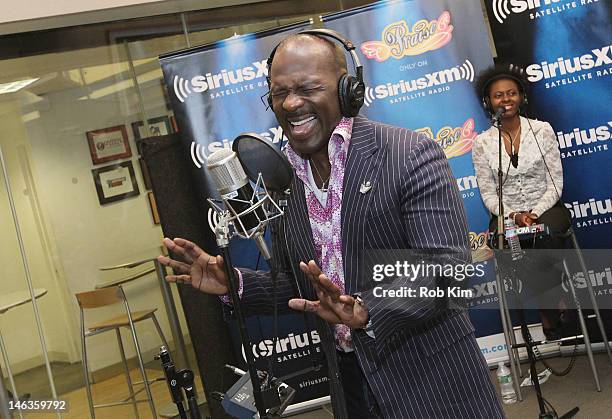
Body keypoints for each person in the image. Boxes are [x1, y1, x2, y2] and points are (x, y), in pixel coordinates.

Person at [159, 31, 504, 418]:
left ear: (347, 90)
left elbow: (448, 270)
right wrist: (233, 283)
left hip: (433, 385)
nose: (291, 103)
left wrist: (368, 310)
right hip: (351, 388)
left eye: (307, 88)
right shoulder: (284, 179)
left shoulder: (409, 154)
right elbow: (304, 285)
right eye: (279, 92)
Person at [472, 64, 572, 340]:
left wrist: (536, 213)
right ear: (488, 102)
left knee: (544, 236)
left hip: (547, 208)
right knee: (507, 243)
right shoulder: (482, 143)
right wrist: (514, 216)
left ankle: (547, 306)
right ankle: (553, 300)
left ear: (522, 97)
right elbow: (488, 194)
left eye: (512, 93)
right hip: (507, 216)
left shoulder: (542, 131)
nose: (506, 100)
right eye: (499, 95)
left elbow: (555, 183)